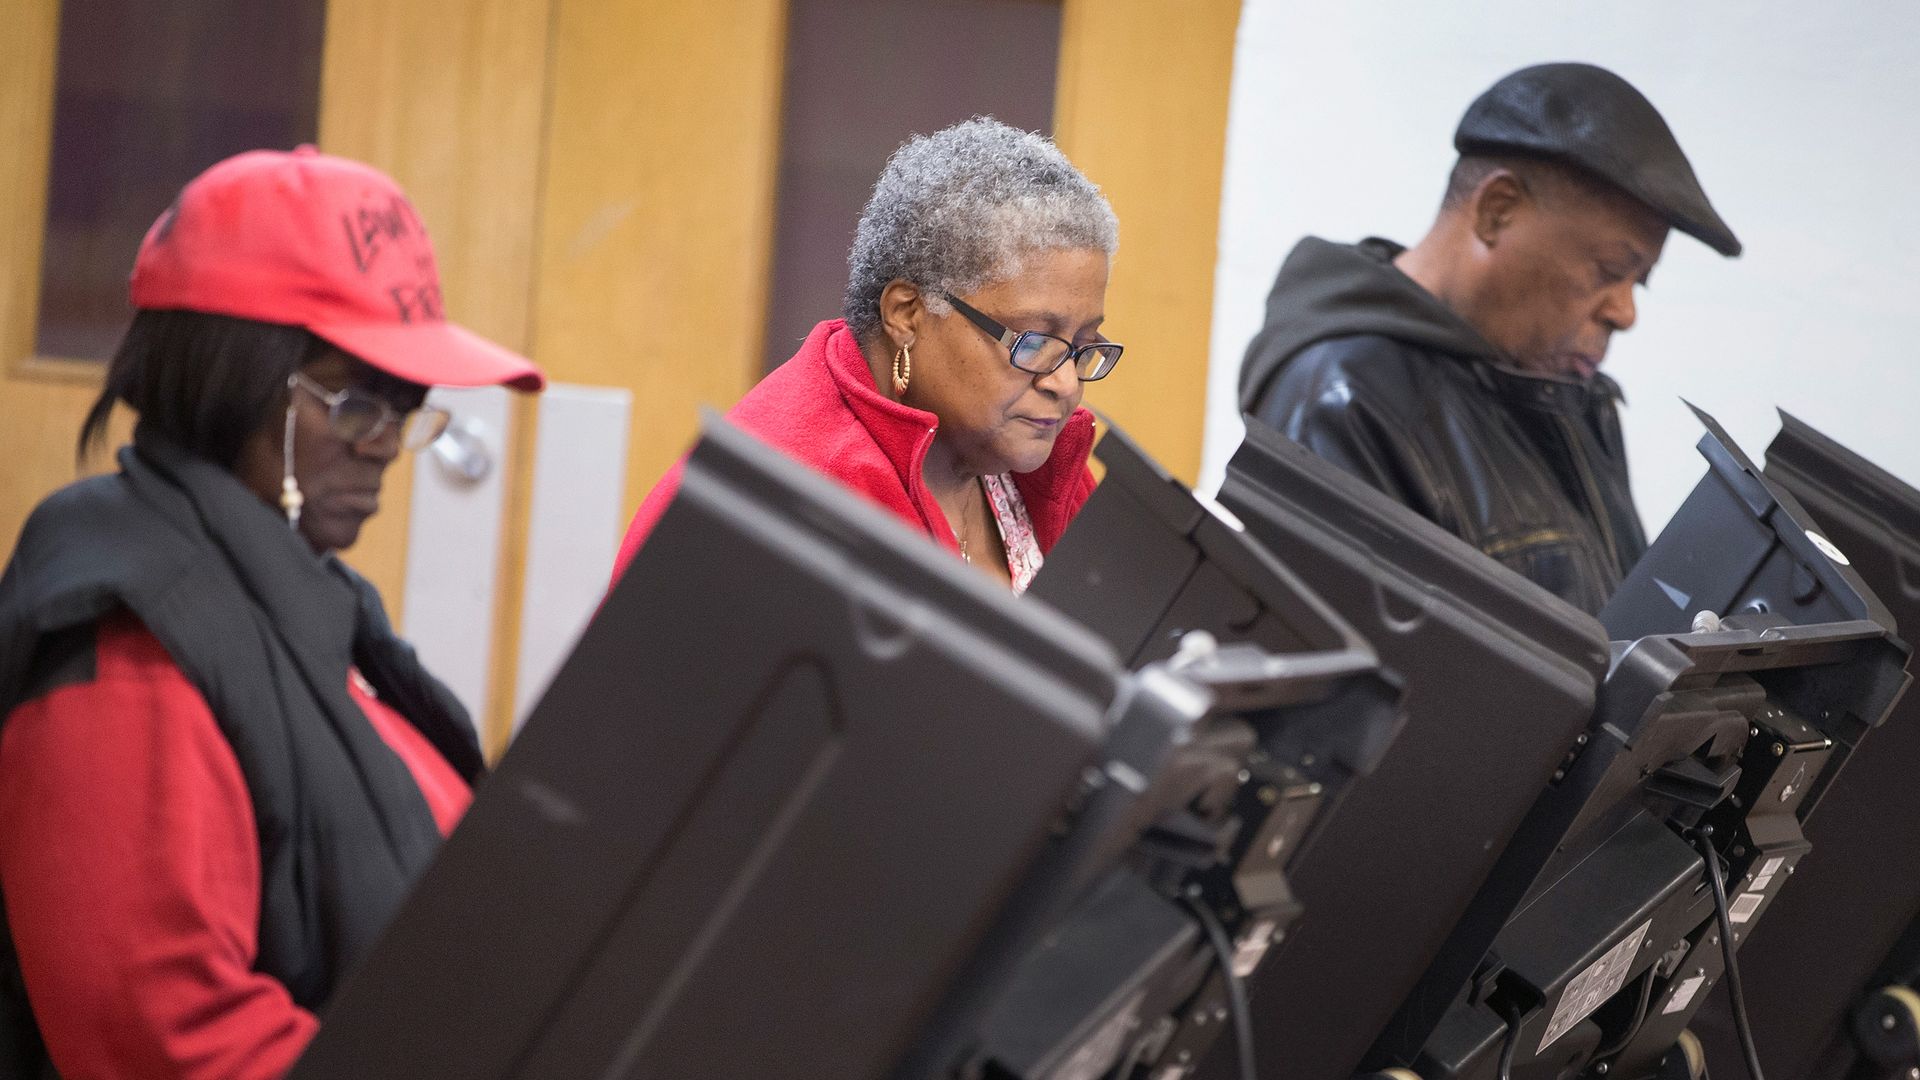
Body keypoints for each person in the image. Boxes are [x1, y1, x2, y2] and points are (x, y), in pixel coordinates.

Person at [0, 147, 545, 1080]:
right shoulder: (127, 644)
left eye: (409, 408)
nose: (389, 448)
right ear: (232, 375)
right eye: (361, 403)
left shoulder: (301, 599)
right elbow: (167, 1037)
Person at [1238, 63, 1741, 614]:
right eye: (1607, 271)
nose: (1624, 313)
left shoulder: (1566, 394)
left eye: (1637, 282)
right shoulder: (1340, 399)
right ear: (1497, 211)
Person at [612, 118, 1122, 594]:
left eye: (1081, 348)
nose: (1066, 385)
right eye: (1032, 341)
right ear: (906, 313)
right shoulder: (772, 508)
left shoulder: (1024, 452)